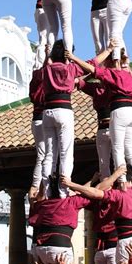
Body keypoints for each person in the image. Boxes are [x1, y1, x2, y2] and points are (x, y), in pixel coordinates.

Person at [65, 40, 132, 184]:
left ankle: (122, 182)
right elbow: (81, 81)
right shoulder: (128, 75)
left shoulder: (110, 77)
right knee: (129, 151)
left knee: (115, 153)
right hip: (129, 113)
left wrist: (75, 59)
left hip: (116, 116)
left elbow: (90, 72)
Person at [62, 164, 132, 264]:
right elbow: (88, 192)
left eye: (109, 182)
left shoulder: (117, 196)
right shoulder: (97, 202)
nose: (106, 184)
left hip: (115, 245)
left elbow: (98, 189)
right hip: (100, 247)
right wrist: (93, 181)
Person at [39, 40, 85, 197]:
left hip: (47, 112)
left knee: (49, 154)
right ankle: (62, 190)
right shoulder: (71, 69)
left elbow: (47, 65)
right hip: (64, 110)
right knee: (65, 152)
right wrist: (72, 58)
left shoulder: (47, 69)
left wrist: (47, 55)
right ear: (68, 55)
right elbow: (91, 65)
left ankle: (47, 189)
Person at [29, 176, 92, 264]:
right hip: (60, 246)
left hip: (41, 248)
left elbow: (35, 192)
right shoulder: (71, 201)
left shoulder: (42, 204)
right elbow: (93, 192)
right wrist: (73, 184)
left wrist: (45, 180)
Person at [28, 66, 45, 198]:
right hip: (42, 119)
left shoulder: (34, 83)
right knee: (44, 154)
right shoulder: (45, 83)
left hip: (37, 119)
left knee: (43, 154)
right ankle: (37, 185)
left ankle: (36, 184)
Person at [33, 0, 48, 68]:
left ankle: (42, 64)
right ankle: (40, 65)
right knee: (44, 39)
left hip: (42, 7)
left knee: (45, 38)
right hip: (43, 7)